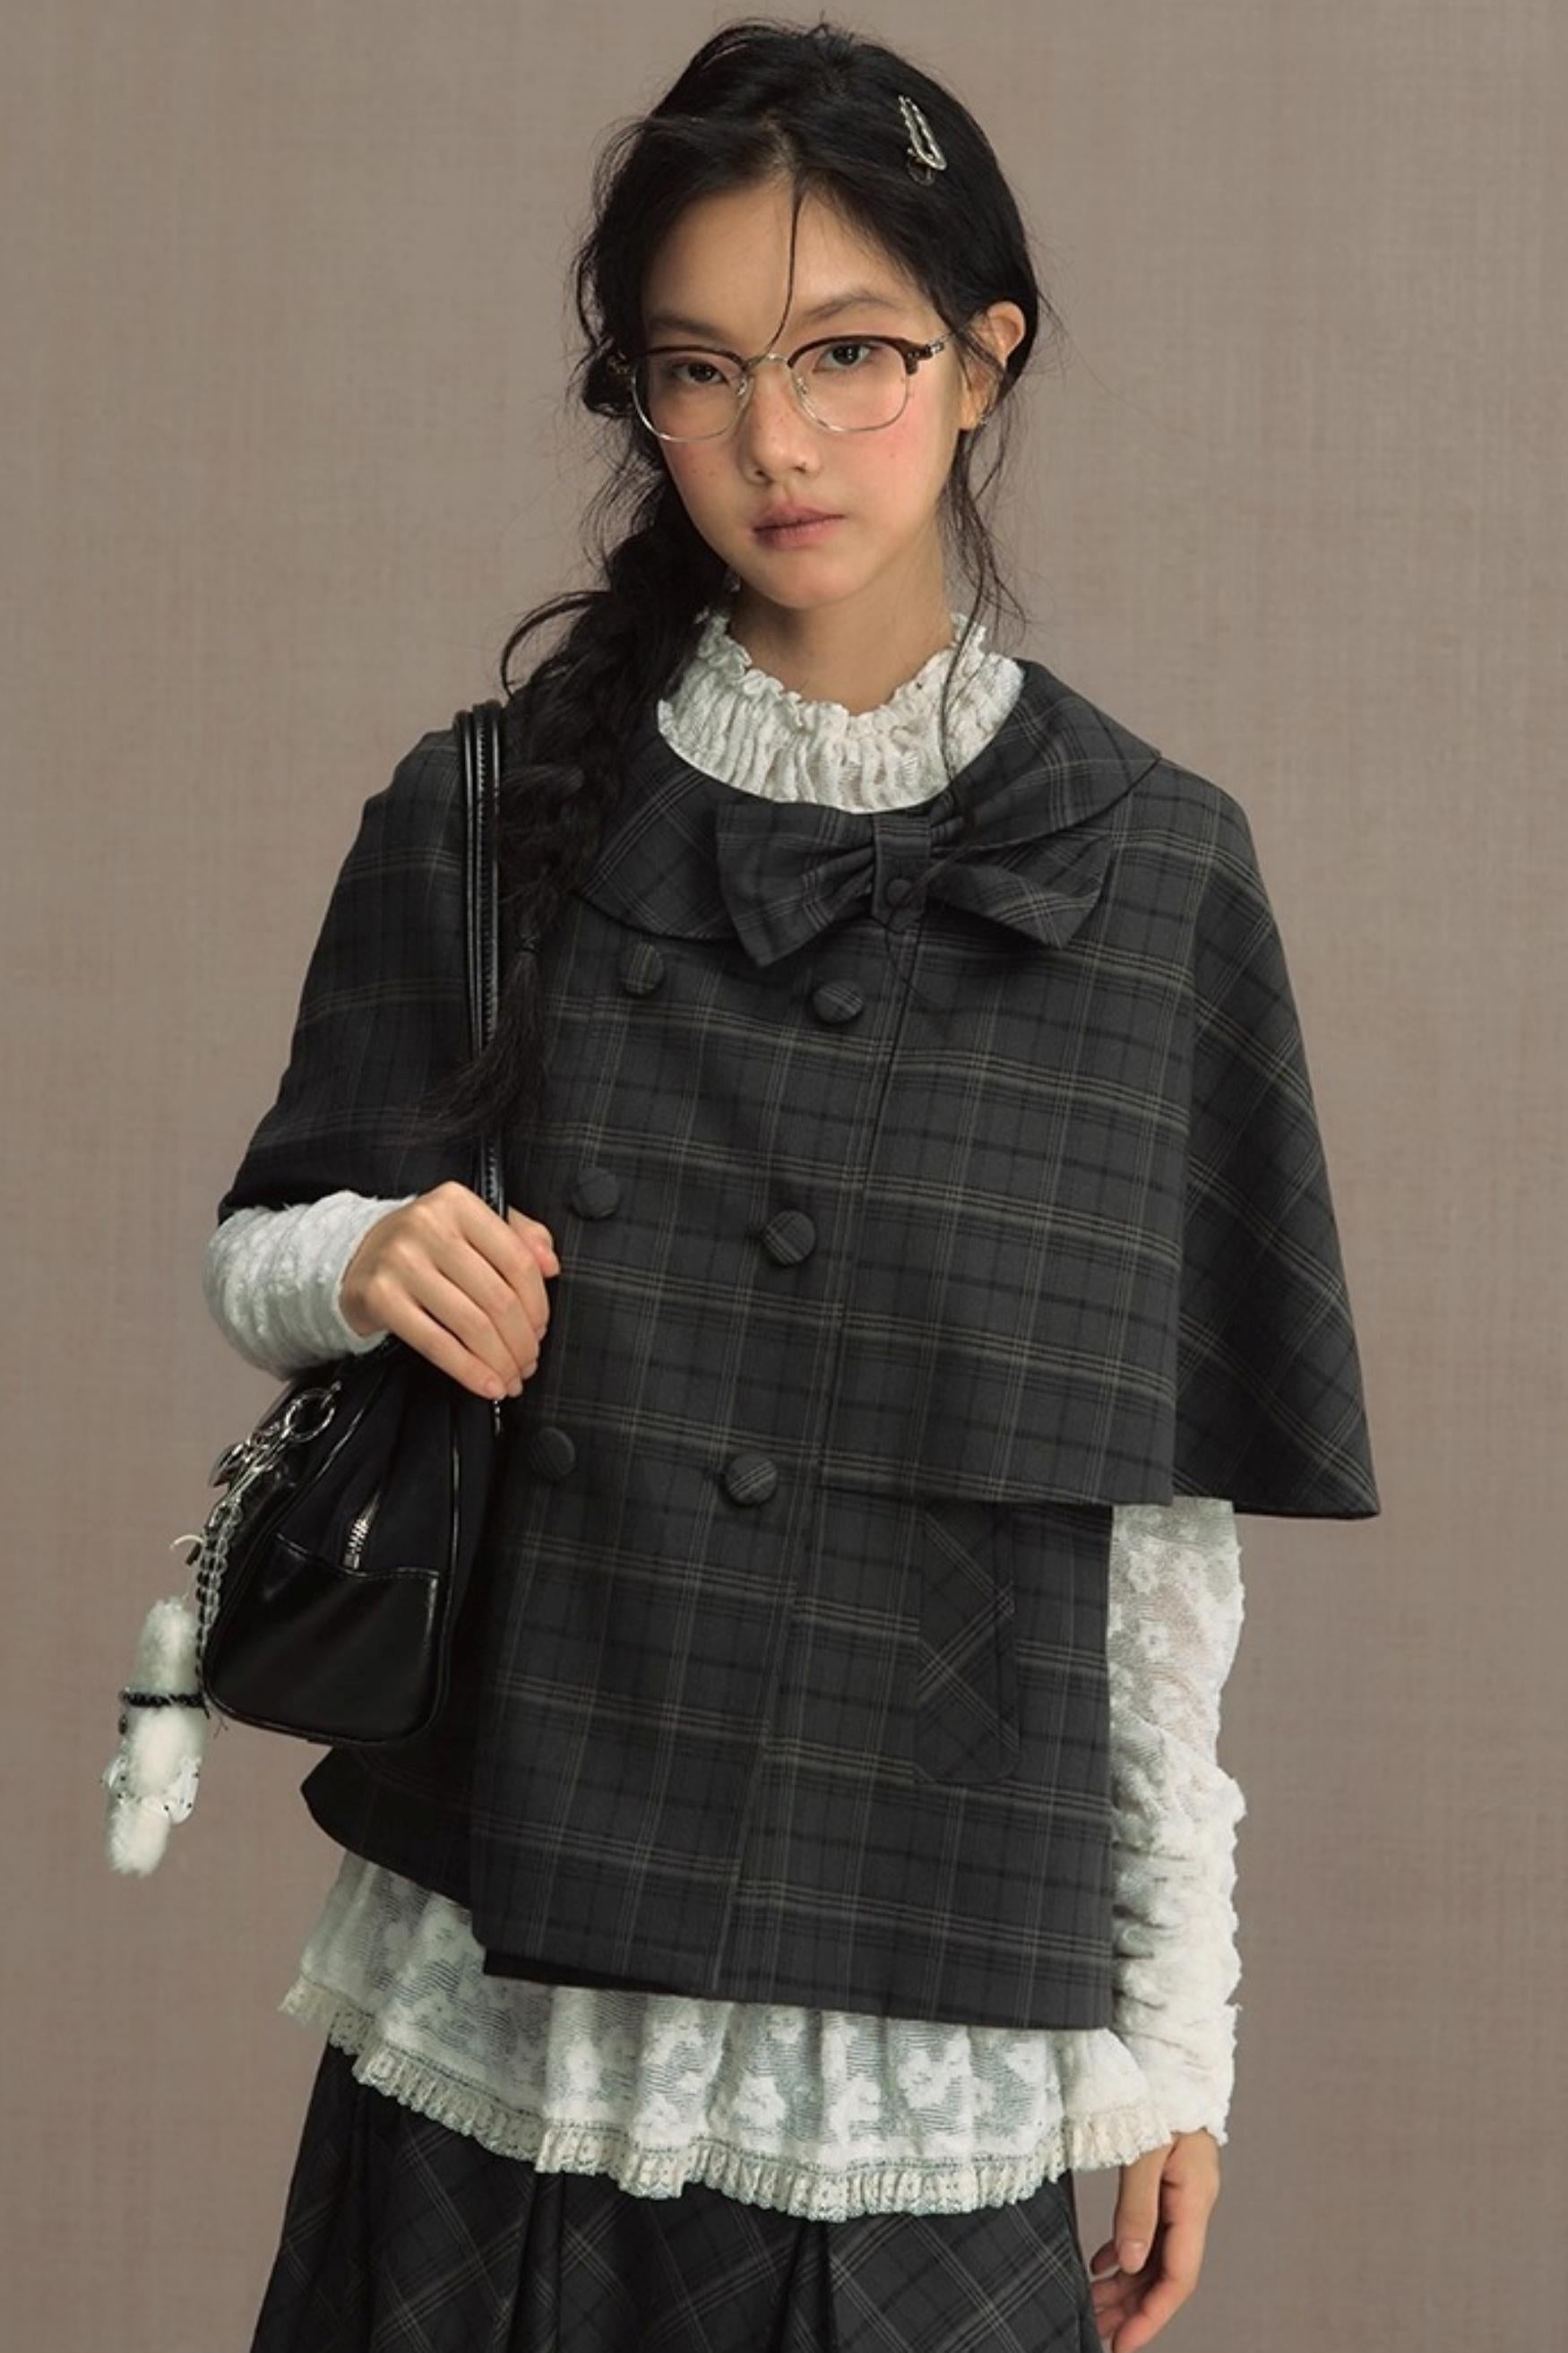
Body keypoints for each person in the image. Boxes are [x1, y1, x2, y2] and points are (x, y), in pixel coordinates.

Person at [203, 21, 1379, 2352]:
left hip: (930, 2009)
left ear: (983, 355)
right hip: (510, 1982)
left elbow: (1160, 1560)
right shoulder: (492, 812)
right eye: (702, 370)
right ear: (642, 401)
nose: (779, 439)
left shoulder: (1154, 879)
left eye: (852, 354)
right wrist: (367, 1256)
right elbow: (261, 1250)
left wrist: (1179, 2049)